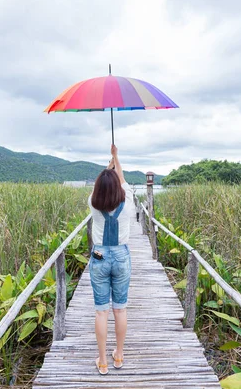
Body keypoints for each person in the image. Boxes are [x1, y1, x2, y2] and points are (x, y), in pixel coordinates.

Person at [88, 144, 135, 375]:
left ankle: (103, 361)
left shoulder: (93, 203)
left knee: (101, 311)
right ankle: (119, 355)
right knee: (120, 309)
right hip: (121, 255)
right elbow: (121, 182)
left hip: (99, 255)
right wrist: (117, 158)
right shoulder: (127, 203)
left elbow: (106, 184)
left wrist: (109, 164)